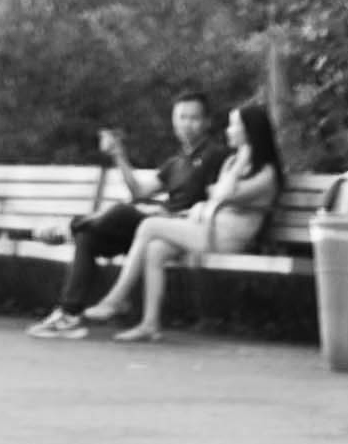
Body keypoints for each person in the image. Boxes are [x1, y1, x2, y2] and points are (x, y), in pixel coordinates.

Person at [77, 97, 283, 344]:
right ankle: (149, 324)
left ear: (249, 132)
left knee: (149, 225)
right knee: (155, 249)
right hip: (207, 229)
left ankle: (117, 298)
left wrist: (242, 159)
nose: (228, 131)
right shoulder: (230, 162)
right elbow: (215, 194)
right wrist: (236, 164)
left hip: (227, 239)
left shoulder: (266, 173)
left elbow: (224, 193)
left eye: (234, 125)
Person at [29, 92, 217, 334]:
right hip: (149, 230)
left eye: (194, 118)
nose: (188, 124)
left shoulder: (216, 155)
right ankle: (69, 314)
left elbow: (216, 201)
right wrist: (118, 155)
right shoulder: (176, 163)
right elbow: (139, 191)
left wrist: (172, 214)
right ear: (174, 121)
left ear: (207, 121)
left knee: (121, 211)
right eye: (182, 117)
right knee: (89, 238)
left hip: (179, 231)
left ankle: (68, 228)